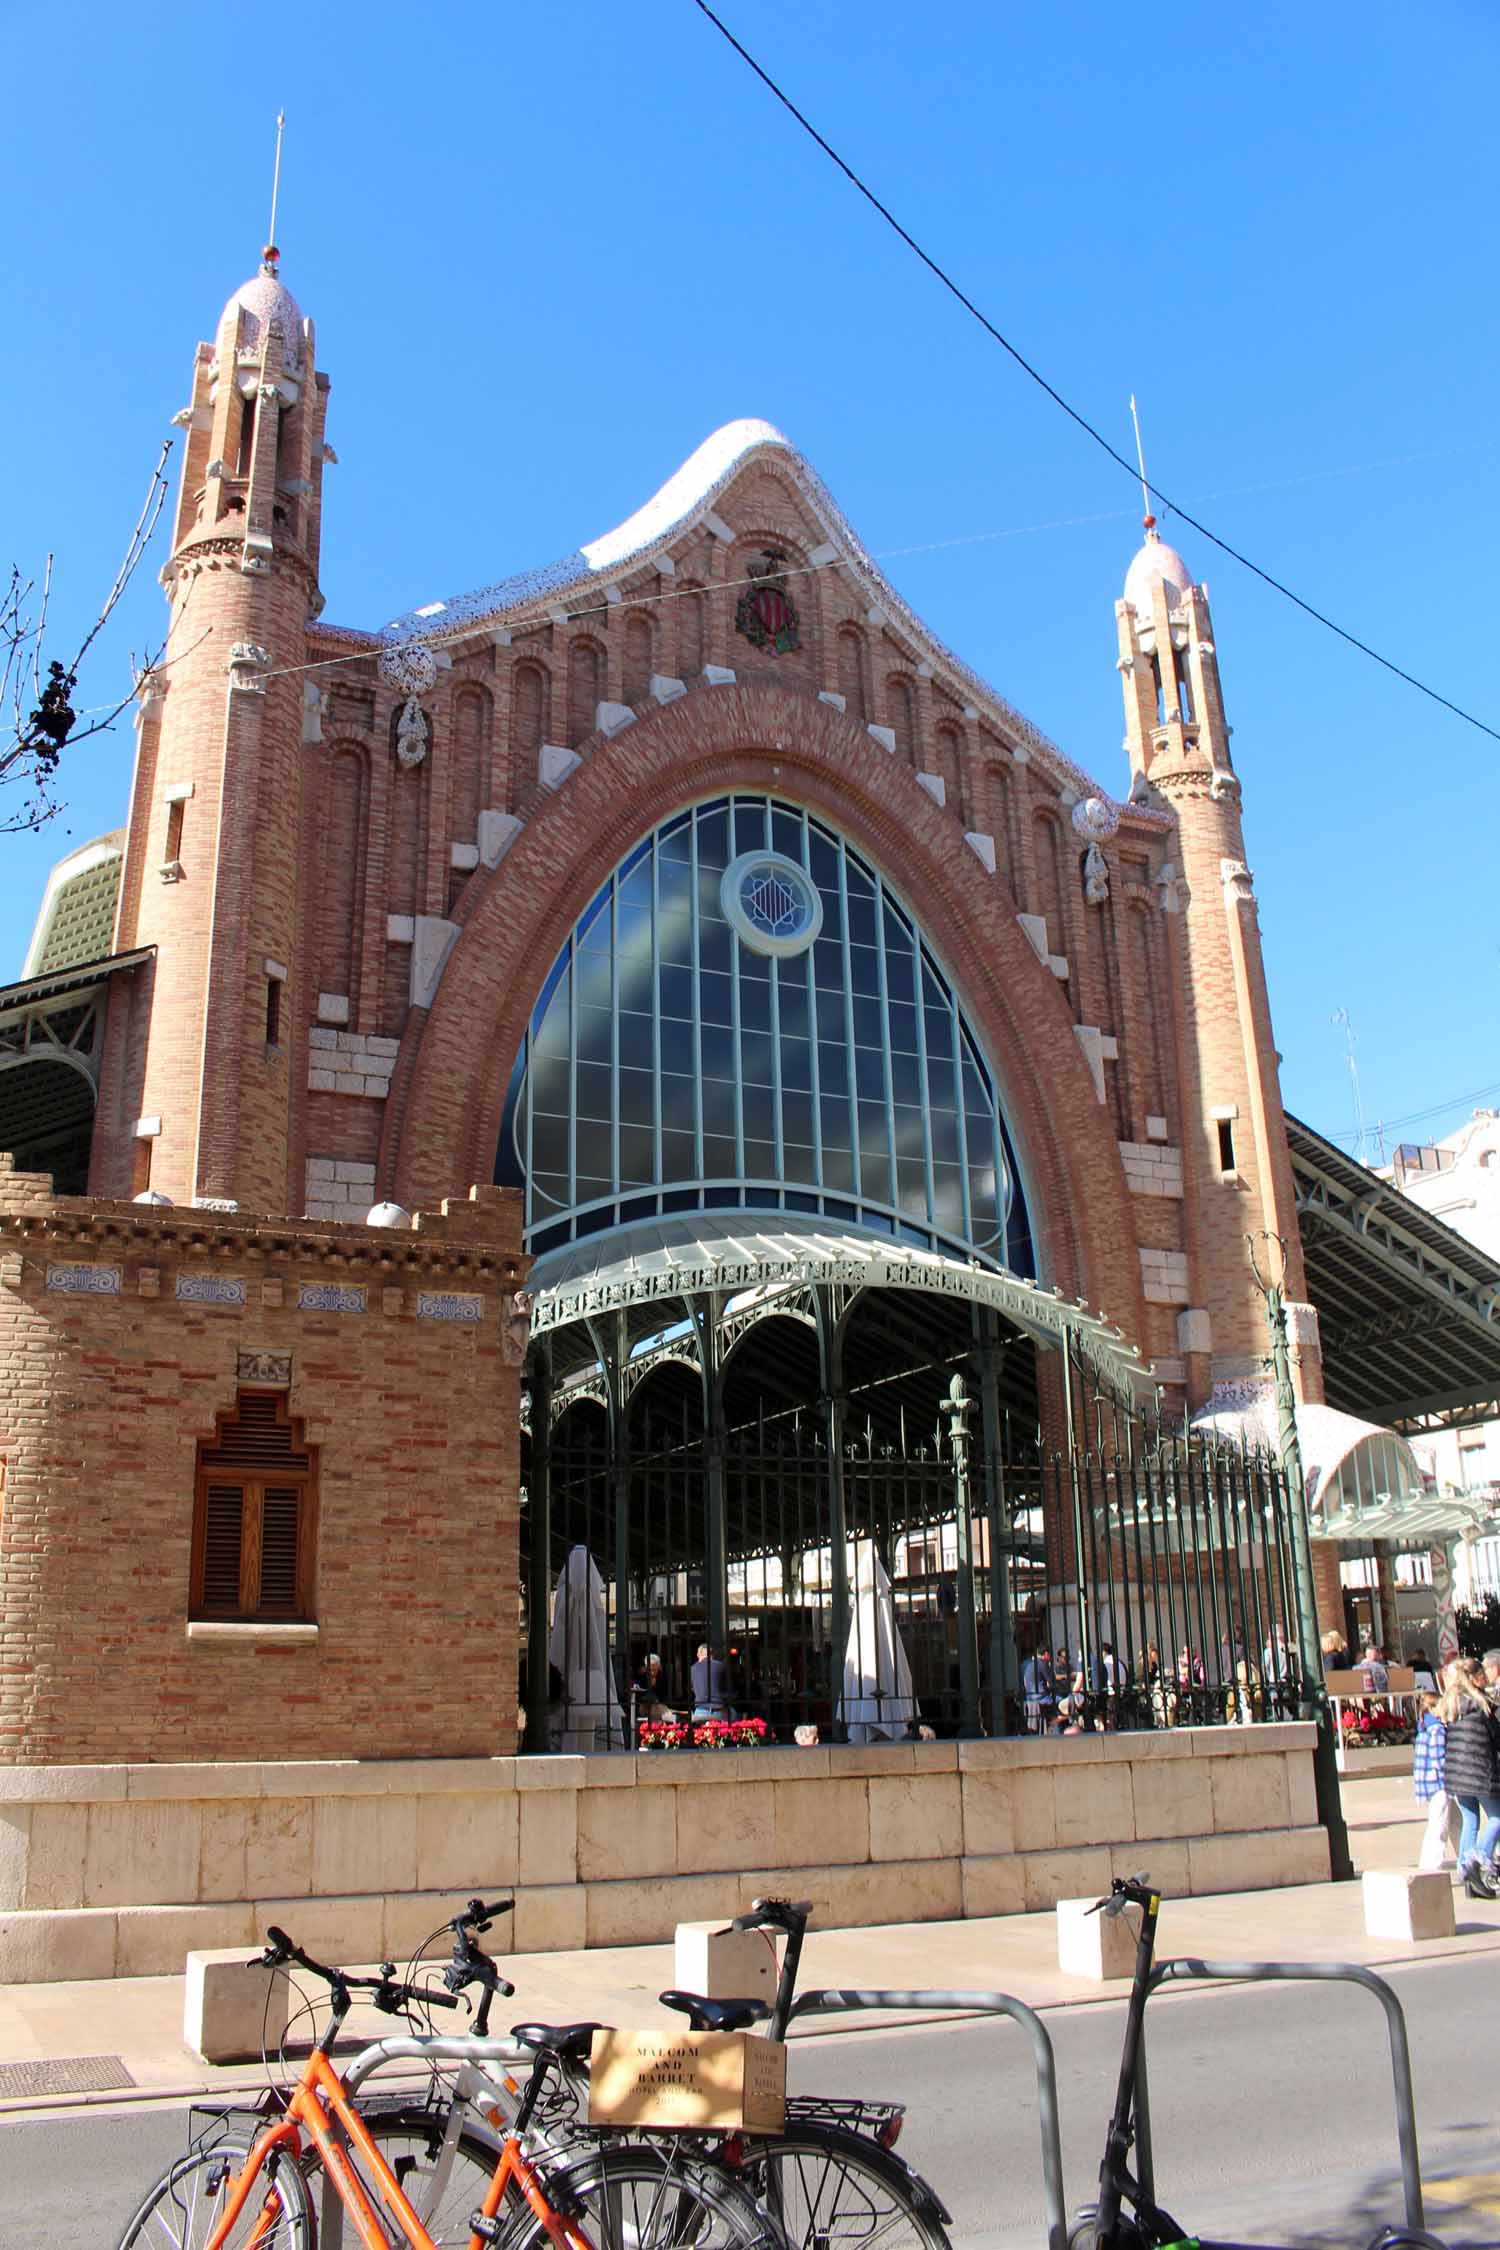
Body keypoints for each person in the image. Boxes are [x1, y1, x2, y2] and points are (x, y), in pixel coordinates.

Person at [1438, 1659, 1500, 1899]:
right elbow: (1496, 1736)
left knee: (1470, 1820)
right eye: (1482, 1673)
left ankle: (1467, 1876)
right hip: (1479, 1771)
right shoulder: (1481, 1703)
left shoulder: (1452, 1703)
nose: (1485, 1676)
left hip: (1457, 1774)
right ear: (1475, 1677)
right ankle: (1477, 1860)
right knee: (1497, 1818)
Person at [1412, 1690, 1460, 1872]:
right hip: (1441, 1785)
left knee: (1453, 1822)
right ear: (1433, 1709)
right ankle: (1432, 1865)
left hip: (1430, 1785)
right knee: (1439, 1826)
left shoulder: (1423, 1728)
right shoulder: (1438, 1729)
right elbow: (1439, 1759)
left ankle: (1465, 1858)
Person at [690, 1642, 732, 1721]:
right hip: (719, 1711)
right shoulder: (721, 1666)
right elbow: (727, 1688)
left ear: (698, 1655)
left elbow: (692, 1688)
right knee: (734, 1715)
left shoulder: (693, 1668)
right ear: (712, 1654)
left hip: (700, 1711)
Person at [1021, 1647, 1054, 1734]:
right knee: (1060, 1702)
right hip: (1041, 1697)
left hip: (1030, 1699)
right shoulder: (1042, 1663)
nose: (1050, 1657)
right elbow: (1052, 1682)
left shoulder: (1030, 1664)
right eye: (1050, 1655)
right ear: (1046, 1654)